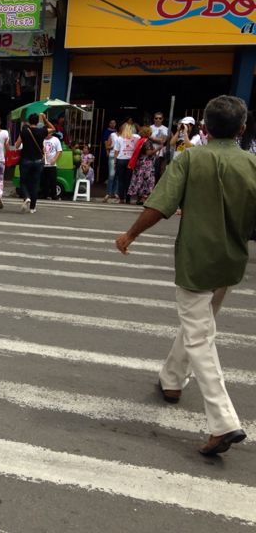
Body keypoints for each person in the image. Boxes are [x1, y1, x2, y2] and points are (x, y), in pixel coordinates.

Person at [116, 95, 256, 456]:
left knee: (199, 336)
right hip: (230, 262)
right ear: (241, 129)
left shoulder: (191, 158)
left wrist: (130, 235)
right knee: (199, 325)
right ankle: (172, 380)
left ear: (204, 129)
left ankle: (223, 422)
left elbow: (161, 205)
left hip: (197, 261)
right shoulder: (251, 163)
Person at [15, 112, 51, 213]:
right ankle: (32, 208)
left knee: (23, 182)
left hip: (25, 160)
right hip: (38, 161)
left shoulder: (24, 131)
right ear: (37, 121)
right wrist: (45, 119)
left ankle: (26, 197)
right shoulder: (42, 131)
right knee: (35, 184)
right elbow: (53, 128)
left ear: (29, 121)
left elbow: (17, 145)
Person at [127, 127, 157, 204]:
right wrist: (158, 149)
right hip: (146, 164)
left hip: (139, 163)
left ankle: (139, 198)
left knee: (138, 179)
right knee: (146, 180)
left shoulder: (140, 140)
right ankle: (143, 198)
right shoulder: (147, 142)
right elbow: (149, 153)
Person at [114, 122, 140, 203]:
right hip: (131, 160)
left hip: (121, 160)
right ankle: (128, 198)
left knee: (121, 180)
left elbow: (116, 152)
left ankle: (121, 198)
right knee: (129, 180)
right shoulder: (136, 137)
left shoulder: (119, 138)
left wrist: (115, 162)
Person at [42, 126, 62, 200]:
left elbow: (59, 151)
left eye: (49, 132)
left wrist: (55, 159)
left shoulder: (55, 140)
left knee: (53, 180)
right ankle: (45, 195)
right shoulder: (42, 139)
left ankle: (54, 195)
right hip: (43, 164)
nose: (47, 134)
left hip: (52, 164)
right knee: (44, 180)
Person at [102, 120, 119, 202]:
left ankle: (115, 193)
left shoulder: (125, 136)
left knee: (118, 176)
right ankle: (108, 193)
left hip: (121, 157)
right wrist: (108, 151)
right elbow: (106, 144)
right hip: (112, 156)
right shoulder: (112, 134)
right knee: (111, 175)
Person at [149, 112, 169, 182]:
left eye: (160, 118)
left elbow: (163, 141)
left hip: (160, 154)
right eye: (156, 118)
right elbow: (146, 137)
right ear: (153, 119)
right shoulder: (150, 128)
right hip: (150, 153)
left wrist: (152, 138)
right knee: (150, 172)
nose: (158, 120)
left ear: (162, 119)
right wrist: (159, 139)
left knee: (157, 172)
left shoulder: (165, 129)